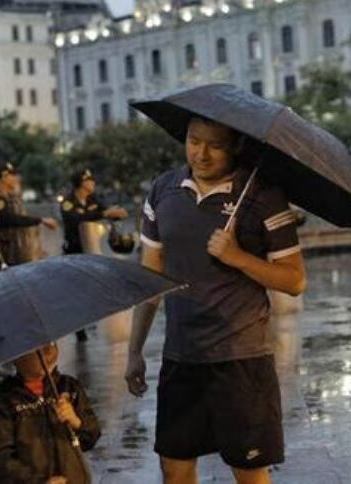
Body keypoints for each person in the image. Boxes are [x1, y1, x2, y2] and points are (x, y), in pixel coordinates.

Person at [124, 116, 306, 484]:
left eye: (215, 145)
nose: (201, 154)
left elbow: (294, 280)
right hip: (181, 357)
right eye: (194, 141)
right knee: (174, 469)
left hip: (241, 361)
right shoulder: (163, 190)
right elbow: (150, 279)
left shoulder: (263, 195)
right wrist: (134, 350)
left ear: (236, 146)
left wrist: (238, 257)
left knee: (249, 473)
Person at [0, 342, 101, 484]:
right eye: (36, 349)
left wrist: (77, 422)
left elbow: (91, 437)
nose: (47, 351)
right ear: (16, 357)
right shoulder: (2, 401)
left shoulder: (69, 387)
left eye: (51, 343)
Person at [60, 168, 128, 341]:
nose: (92, 183)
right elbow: (74, 219)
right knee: (76, 290)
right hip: (74, 250)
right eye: (88, 181)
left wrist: (115, 213)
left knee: (93, 287)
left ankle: (95, 320)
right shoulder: (68, 201)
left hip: (92, 248)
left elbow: (106, 211)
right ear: (80, 184)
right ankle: (80, 330)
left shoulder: (93, 199)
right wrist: (103, 213)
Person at [0, 161, 58, 266]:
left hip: (18, 252)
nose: (17, 178)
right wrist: (40, 220)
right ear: (4, 177)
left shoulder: (11, 198)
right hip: (7, 254)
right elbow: (9, 219)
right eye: (13, 175)